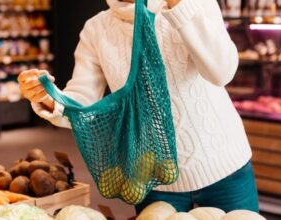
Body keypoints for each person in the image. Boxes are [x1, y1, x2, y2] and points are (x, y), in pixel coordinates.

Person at [18, 0, 259, 213]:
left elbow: (222, 72)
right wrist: (49, 98)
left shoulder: (195, 3)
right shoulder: (97, 29)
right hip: (156, 179)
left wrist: (179, 6)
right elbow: (82, 103)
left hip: (224, 168)